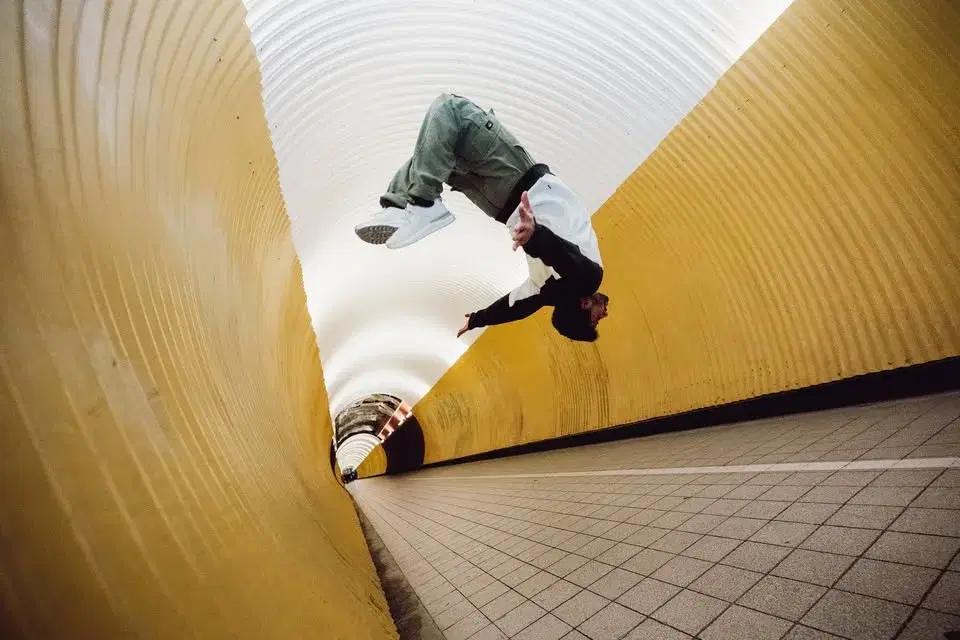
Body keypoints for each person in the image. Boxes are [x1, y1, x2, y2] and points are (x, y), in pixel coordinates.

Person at [354, 93, 609, 342]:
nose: (604, 314)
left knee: (451, 110)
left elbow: (567, 259)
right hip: (497, 206)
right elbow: (514, 308)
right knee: (441, 153)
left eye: (596, 319)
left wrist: (535, 237)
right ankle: (400, 206)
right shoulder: (545, 292)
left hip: (517, 180)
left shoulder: (588, 279)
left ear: (584, 305)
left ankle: (422, 203)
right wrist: (478, 319)